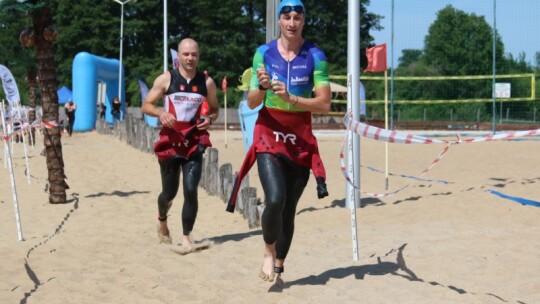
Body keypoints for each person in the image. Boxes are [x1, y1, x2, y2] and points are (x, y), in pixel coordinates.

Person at [226, 0, 330, 284]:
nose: (292, 22)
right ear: (280, 22)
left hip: (299, 139)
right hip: (269, 133)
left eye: (298, 17)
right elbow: (251, 101)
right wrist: (261, 86)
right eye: (287, 17)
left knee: (289, 210)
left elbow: (324, 104)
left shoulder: (315, 56)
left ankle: (281, 267)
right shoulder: (264, 53)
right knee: (275, 199)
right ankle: (268, 251)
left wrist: (291, 98)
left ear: (304, 21)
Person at [141, 38, 219, 251]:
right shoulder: (167, 79)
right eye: (186, 54)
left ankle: (186, 238)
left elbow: (214, 109)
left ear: (198, 56)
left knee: (191, 189)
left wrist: (210, 119)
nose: (190, 58)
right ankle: (162, 219)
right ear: (179, 56)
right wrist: (160, 112)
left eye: (194, 54)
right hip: (171, 141)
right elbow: (146, 105)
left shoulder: (207, 82)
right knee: (169, 193)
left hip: (193, 140)